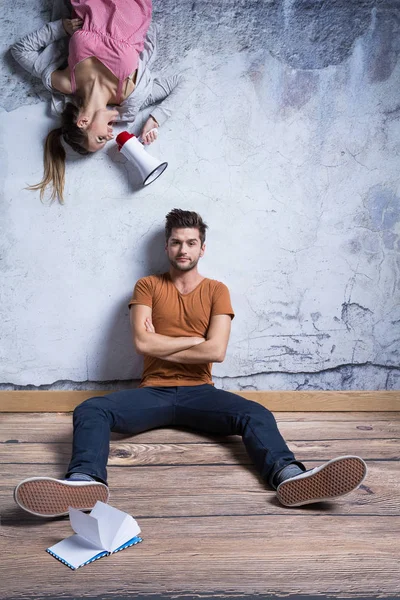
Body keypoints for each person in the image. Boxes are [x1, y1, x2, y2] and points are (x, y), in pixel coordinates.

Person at [14, 209, 367, 518]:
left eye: (191, 242)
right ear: (167, 246)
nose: (183, 250)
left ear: (202, 247)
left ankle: (290, 477)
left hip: (201, 394)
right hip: (152, 393)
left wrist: (166, 344)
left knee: (255, 413)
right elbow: (141, 343)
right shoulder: (147, 286)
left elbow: (216, 352)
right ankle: (83, 481)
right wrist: (194, 341)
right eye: (176, 242)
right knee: (91, 409)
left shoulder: (217, 290)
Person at [11, 0, 184, 202]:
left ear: (83, 122)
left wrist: (60, 28)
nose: (110, 136)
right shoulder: (131, 98)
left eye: (100, 138)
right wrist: (155, 119)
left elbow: (19, 51)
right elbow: (182, 82)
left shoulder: (66, 83)